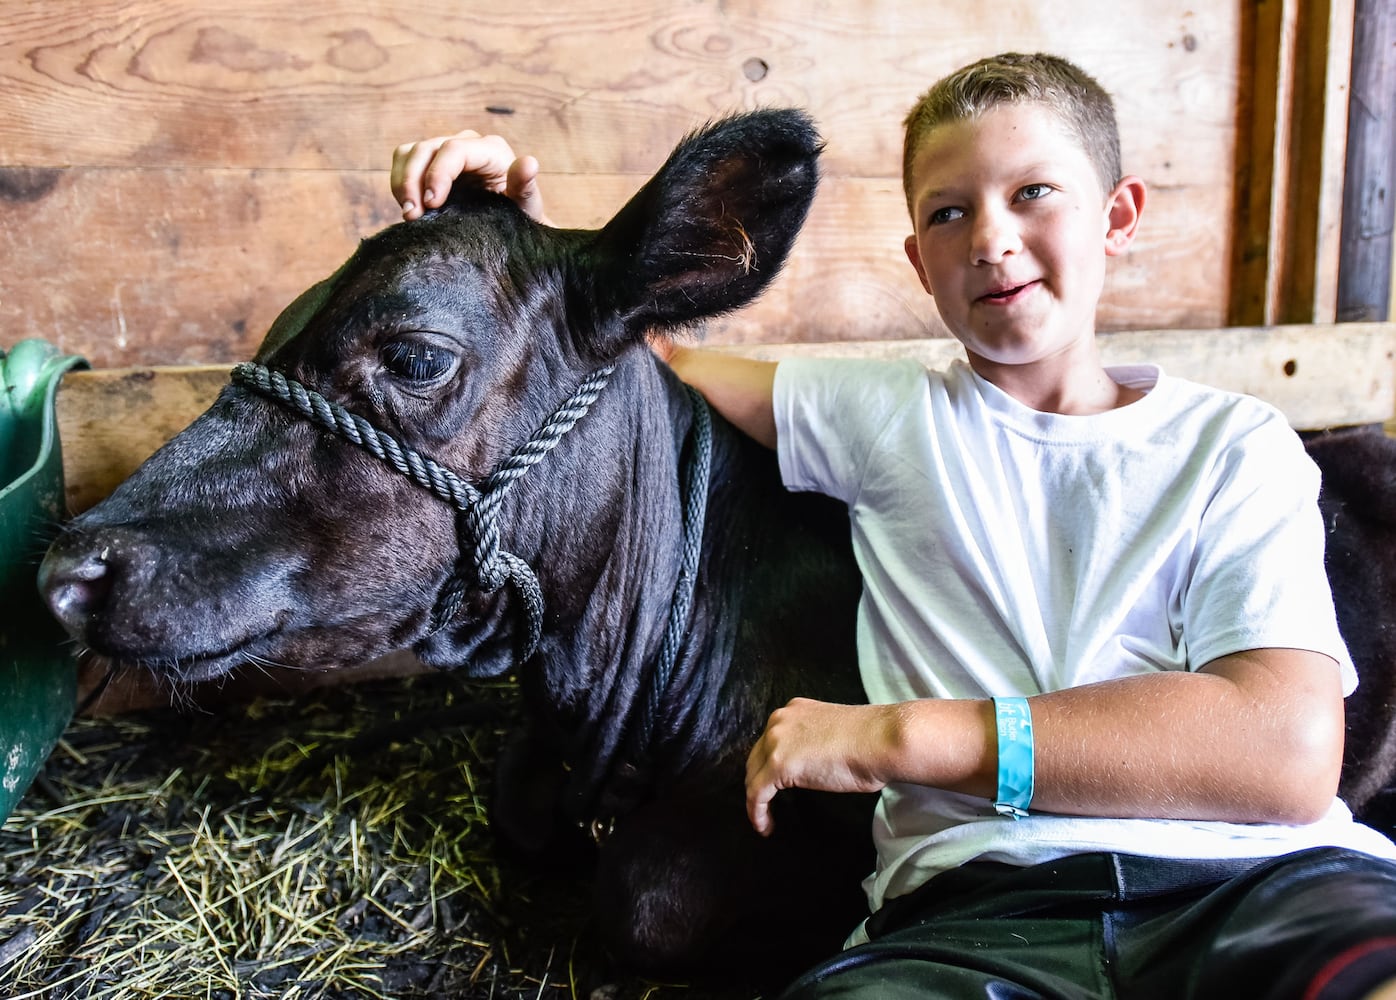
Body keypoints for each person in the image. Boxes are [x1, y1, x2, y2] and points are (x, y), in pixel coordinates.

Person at [391, 52, 1396, 999]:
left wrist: (898, 736)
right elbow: (638, 370)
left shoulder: (1232, 443)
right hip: (975, 909)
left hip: (1264, 886)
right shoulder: (884, 415)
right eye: (950, 213)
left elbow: (1284, 746)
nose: (990, 238)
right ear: (920, 262)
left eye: (1032, 193)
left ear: (1117, 216)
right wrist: (525, 241)